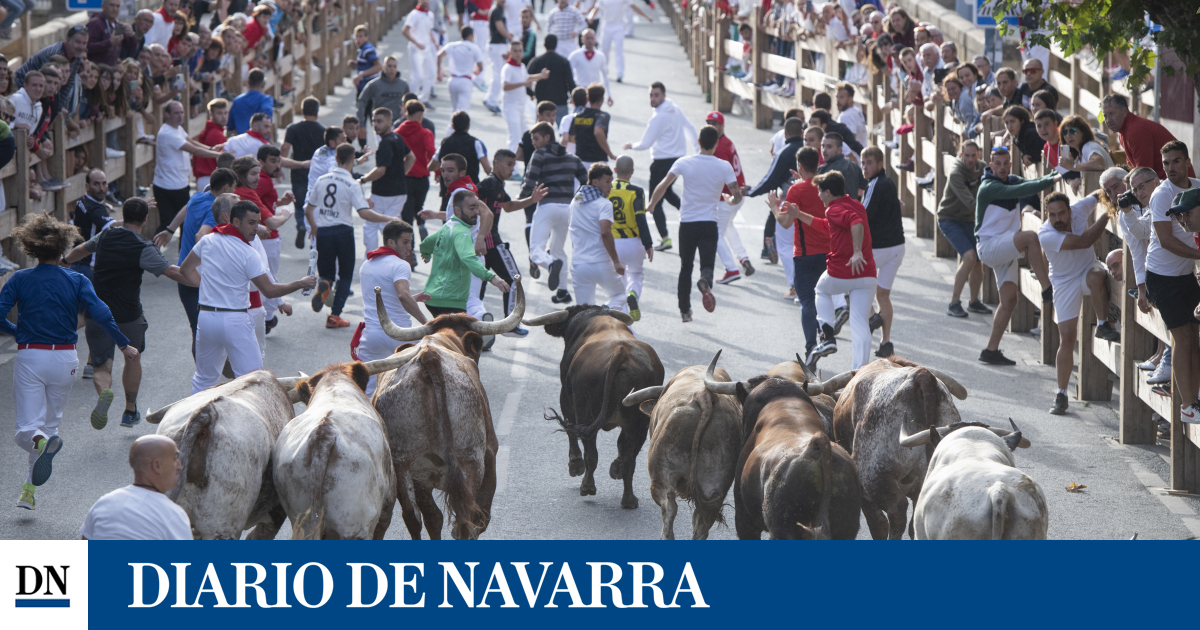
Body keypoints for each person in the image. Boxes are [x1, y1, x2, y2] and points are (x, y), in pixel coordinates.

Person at [2, 214, 137, 510]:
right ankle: (28, 491)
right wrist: (124, 343)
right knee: (48, 427)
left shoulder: (20, 279)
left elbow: (0, 316)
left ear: (31, 248)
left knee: (27, 430)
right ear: (63, 249)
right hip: (66, 358)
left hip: (31, 356)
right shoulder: (76, 279)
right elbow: (101, 314)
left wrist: (17, 332)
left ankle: (39, 452)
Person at [64, 197, 194, 429]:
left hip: (98, 313)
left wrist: (63, 262)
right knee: (132, 358)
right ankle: (129, 410)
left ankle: (104, 392)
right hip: (129, 315)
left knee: (102, 366)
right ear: (146, 219)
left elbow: (80, 250)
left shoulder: (105, 236)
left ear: (124, 215)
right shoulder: (143, 246)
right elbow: (171, 271)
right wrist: (200, 282)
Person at [180, 201, 315, 394]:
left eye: (258, 222)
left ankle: (193, 421)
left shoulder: (208, 240)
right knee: (254, 380)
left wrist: (207, 287)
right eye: (251, 223)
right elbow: (269, 290)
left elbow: (186, 269)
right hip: (235, 320)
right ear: (235, 221)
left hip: (207, 318)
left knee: (203, 379)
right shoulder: (248, 252)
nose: (257, 228)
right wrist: (301, 283)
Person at [784, 171, 877, 370]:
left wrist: (857, 251)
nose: (818, 196)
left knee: (821, 290)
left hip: (842, 271)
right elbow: (827, 226)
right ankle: (860, 371)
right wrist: (798, 214)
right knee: (860, 324)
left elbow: (856, 223)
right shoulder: (856, 204)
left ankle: (827, 336)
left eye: (820, 192)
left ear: (828, 192)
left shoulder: (835, 209)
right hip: (866, 274)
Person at [974, 148, 1058, 365]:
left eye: (1005, 163)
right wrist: (1054, 177)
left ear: (1010, 164)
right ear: (991, 166)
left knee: (1010, 299)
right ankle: (1047, 288)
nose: (1001, 167)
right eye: (997, 164)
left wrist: (1050, 179)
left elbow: (1032, 184)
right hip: (990, 247)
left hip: (1004, 246)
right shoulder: (989, 187)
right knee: (1030, 237)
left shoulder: (1010, 179)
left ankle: (990, 351)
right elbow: (1027, 187)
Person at [648, 125, 740, 321]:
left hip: (688, 223)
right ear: (716, 143)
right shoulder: (724, 166)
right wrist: (728, 199)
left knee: (685, 266)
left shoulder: (684, 162)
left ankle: (685, 311)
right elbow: (737, 197)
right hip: (709, 223)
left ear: (698, 142)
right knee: (707, 264)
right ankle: (705, 281)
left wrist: (651, 205)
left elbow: (663, 185)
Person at [1038, 190, 1116, 415]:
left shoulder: (1080, 209)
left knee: (1097, 275)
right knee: (1067, 338)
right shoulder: (1046, 234)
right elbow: (1085, 241)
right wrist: (1108, 213)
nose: (1058, 219)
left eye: (1062, 213)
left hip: (1087, 269)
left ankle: (1103, 325)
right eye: (1052, 215)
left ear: (1070, 211)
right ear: (1046, 215)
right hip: (1063, 281)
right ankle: (1061, 394)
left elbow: (1098, 192)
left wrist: (1112, 193)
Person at [305, 144, 397, 328]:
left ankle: (324, 283)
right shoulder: (352, 183)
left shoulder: (322, 180)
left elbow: (309, 209)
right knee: (345, 275)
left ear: (336, 158)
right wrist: (389, 218)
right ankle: (334, 316)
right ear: (352, 159)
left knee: (327, 272)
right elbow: (364, 213)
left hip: (323, 231)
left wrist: (314, 227)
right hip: (343, 232)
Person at [154, 168, 238, 358]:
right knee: (207, 330)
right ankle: (210, 371)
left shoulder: (198, 197)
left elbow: (185, 209)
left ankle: (206, 373)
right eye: (232, 189)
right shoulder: (213, 210)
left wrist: (169, 229)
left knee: (198, 328)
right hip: (200, 277)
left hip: (184, 275)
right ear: (225, 188)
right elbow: (201, 236)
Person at [1146, 142, 1200, 421]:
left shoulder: (1197, 188)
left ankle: (1196, 398)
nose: (1170, 168)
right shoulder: (1161, 194)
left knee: (1195, 338)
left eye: (1176, 162)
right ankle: (1187, 406)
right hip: (1161, 276)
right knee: (1182, 337)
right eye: (1166, 163)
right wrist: (1199, 255)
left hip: (1186, 275)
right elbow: (1165, 241)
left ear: (1187, 162)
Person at [477, 149, 546, 337]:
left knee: (479, 288)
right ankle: (509, 325)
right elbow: (472, 202)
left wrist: (532, 199)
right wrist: (480, 237)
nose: (512, 169)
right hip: (489, 242)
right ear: (496, 163)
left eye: (514, 165)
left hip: (484, 244)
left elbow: (508, 206)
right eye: (509, 164)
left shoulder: (497, 185)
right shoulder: (489, 184)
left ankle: (475, 330)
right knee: (514, 279)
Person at [768, 147, 827, 362]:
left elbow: (784, 223)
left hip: (804, 254)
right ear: (818, 164)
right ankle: (827, 337)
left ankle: (811, 347)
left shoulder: (795, 191)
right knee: (826, 298)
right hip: (829, 254)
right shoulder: (825, 187)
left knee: (807, 303)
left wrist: (774, 207)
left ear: (800, 166)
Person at [358, 220, 429, 396]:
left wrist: (414, 299)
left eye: (411, 242)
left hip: (372, 336)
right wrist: (427, 323)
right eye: (405, 242)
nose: (410, 247)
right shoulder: (400, 265)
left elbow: (385, 300)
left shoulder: (366, 264)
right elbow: (402, 295)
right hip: (400, 336)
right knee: (414, 389)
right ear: (391, 242)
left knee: (369, 393)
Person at [624, 82, 697, 252]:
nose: (653, 98)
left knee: (655, 201)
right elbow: (690, 127)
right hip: (677, 160)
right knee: (668, 191)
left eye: (656, 95)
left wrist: (631, 145)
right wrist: (697, 149)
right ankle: (690, 214)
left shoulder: (658, 118)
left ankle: (665, 238)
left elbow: (646, 143)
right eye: (651, 95)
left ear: (663, 95)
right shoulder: (675, 108)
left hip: (660, 163)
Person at [519, 122, 587, 303]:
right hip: (567, 210)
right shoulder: (573, 157)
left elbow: (529, 181)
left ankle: (549, 264)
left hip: (547, 207)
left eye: (536, 138)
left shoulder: (539, 155)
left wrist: (519, 200)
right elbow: (585, 182)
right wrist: (576, 200)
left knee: (535, 251)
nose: (533, 142)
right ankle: (563, 291)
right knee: (559, 250)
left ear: (547, 137)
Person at [419, 188, 511, 316]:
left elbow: (426, 243)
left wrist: (427, 254)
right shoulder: (462, 232)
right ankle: (480, 321)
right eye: (471, 208)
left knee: (447, 334)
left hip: (433, 299)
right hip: (450, 301)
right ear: (457, 210)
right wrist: (493, 278)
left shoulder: (447, 227)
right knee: (462, 332)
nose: (476, 212)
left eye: (477, 208)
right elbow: (469, 258)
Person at [79, 434, 191, 539]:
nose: (180, 466)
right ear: (157, 466)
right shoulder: (173, 515)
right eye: (175, 458)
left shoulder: (103, 503)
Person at [937, 141, 991, 318]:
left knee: (978, 261)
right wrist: (991, 215)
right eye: (966, 155)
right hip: (950, 218)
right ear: (961, 155)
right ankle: (954, 303)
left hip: (970, 220)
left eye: (973, 155)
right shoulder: (956, 172)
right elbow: (969, 201)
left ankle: (974, 302)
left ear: (979, 155)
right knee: (969, 256)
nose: (970, 159)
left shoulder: (983, 168)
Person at [747, 117, 805, 279]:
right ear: (802, 133)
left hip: (791, 203)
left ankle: (795, 284)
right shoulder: (811, 150)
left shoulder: (785, 153)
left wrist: (750, 191)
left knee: (786, 245)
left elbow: (770, 181)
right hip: (814, 202)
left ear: (785, 133)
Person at [860, 147, 904, 358]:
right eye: (863, 163)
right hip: (897, 248)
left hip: (879, 248)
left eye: (869, 162)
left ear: (879, 164)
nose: (865, 167)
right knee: (883, 295)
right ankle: (886, 343)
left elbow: (862, 215)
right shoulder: (888, 183)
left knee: (851, 281)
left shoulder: (875, 184)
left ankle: (871, 317)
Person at [155, 100, 223, 229]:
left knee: (183, 223)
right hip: (168, 186)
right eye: (176, 113)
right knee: (169, 223)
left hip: (179, 183)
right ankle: (152, 249)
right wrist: (218, 155)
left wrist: (211, 149)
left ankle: (183, 250)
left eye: (181, 112)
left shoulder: (177, 128)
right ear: (167, 114)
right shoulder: (167, 133)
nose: (180, 116)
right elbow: (193, 150)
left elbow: (191, 142)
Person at [701, 112, 751, 284]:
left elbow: (717, 175)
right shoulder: (726, 142)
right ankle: (743, 258)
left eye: (715, 123)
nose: (712, 126)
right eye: (709, 123)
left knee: (715, 235)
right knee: (728, 226)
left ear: (722, 126)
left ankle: (731, 269)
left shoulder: (719, 148)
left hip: (728, 197)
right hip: (737, 195)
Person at [569, 162, 627, 310]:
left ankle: (593, 317)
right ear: (595, 182)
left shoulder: (574, 203)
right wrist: (616, 261)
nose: (611, 186)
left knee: (584, 311)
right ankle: (603, 312)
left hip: (579, 264)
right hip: (601, 263)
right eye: (608, 181)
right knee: (619, 295)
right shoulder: (604, 204)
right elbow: (605, 232)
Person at [359, 108, 415, 251]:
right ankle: (395, 257)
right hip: (400, 192)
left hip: (383, 193)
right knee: (390, 228)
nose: (376, 125)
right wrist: (400, 174)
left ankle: (371, 260)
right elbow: (411, 157)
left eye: (379, 121)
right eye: (373, 121)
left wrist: (363, 180)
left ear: (390, 122)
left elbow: (380, 170)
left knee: (371, 226)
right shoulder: (397, 138)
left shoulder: (385, 143)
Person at [1102, 94, 1193, 181]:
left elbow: (1144, 173)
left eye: (1112, 113)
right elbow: (1133, 168)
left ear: (1125, 111)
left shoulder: (1136, 130)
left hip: (1179, 185)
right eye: (1105, 115)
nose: (1108, 120)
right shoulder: (1123, 132)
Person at [608, 155, 652, 320]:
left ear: (614, 170)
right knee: (635, 275)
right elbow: (641, 219)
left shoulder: (606, 189)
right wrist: (648, 244)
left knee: (619, 284)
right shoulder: (636, 191)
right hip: (633, 242)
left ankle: (622, 320)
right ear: (632, 172)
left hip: (612, 243)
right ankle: (633, 293)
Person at [281, 97, 325, 247]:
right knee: (314, 204)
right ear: (317, 112)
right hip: (317, 174)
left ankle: (301, 224)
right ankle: (314, 232)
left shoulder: (293, 129)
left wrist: (279, 165)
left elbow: (285, 148)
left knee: (299, 203)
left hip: (298, 171)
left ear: (301, 111)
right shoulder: (323, 131)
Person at [396, 100, 437, 244]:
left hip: (404, 178)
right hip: (421, 179)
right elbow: (432, 152)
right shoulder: (425, 133)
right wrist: (438, 172)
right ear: (420, 115)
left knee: (406, 215)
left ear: (407, 114)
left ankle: (409, 252)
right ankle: (421, 223)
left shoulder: (397, 133)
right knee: (418, 207)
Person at [501, 39, 546, 152]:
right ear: (511, 52)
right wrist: (523, 84)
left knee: (524, 135)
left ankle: (520, 162)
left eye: (520, 50)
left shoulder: (521, 66)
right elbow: (505, 86)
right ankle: (512, 167)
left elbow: (527, 77)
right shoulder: (507, 68)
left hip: (521, 107)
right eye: (515, 51)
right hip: (511, 107)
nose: (518, 53)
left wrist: (541, 76)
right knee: (514, 137)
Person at [591, 0, 649, 83]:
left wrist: (646, 16)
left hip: (618, 26)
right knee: (604, 50)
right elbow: (596, 8)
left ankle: (620, 73)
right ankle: (604, 70)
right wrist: (591, 16)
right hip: (606, 26)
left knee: (619, 51)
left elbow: (633, 6)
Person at [438, 26, 487, 117]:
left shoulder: (452, 45)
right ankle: (458, 130)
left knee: (454, 110)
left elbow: (439, 55)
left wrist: (439, 72)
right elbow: (481, 66)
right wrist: (477, 71)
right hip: (465, 81)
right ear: (471, 36)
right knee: (462, 112)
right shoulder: (474, 47)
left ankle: (451, 129)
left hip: (452, 80)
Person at [527, 34, 575, 124]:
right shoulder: (564, 61)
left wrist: (531, 93)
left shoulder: (536, 61)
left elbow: (526, 78)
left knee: (541, 131)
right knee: (564, 130)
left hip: (542, 102)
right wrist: (573, 97)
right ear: (556, 45)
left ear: (544, 44)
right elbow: (570, 82)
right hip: (561, 102)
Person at [568, 83, 615, 167]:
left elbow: (571, 140)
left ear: (587, 99)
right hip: (598, 163)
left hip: (580, 163)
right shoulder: (603, 116)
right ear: (602, 100)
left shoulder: (577, 116)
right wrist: (610, 154)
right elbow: (598, 131)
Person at [357, 56, 411, 129]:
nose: (392, 69)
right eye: (389, 66)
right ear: (384, 67)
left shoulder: (404, 85)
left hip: (399, 124)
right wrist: (361, 123)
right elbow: (361, 101)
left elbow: (410, 104)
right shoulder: (374, 84)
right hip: (380, 124)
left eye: (394, 66)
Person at [193, 97, 230, 195]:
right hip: (211, 178)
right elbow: (223, 160)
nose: (224, 116)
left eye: (225, 113)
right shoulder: (216, 134)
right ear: (211, 114)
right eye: (219, 113)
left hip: (205, 178)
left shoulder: (209, 130)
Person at [402, 0, 437, 103]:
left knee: (430, 74)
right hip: (416, 49)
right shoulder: (414, 14)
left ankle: (424, 99)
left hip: (427, 48)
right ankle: (411, 102)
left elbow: (429, 30)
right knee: (417, 76)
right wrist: (417, 43)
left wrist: (434, 42)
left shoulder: (430, 14)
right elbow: (405, 31)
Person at [88, 0, 139, 67]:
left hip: (112, 72)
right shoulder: (95, 23)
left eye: (117, 6)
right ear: (103, 6)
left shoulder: (118, 25)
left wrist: (132, 34)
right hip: (97, 71)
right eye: (112, 5)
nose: (115, 9)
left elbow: (133, 48)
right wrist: (109, 42)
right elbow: (88, 47)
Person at [483, 0, 512, 113]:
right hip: (497, 45)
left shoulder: (499, 9)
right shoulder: (496, 10)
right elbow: (499, 27)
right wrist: (508, 35)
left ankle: (489, 98)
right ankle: (492, 101)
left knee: (497, 73)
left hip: (498, 45)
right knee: (498, 74)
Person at [568, 29, 611, 103]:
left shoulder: (601, 55)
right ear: (582, 39)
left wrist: (609, 95)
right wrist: (572, 90)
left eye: (592, 38)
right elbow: (568, 74)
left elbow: (605, 76)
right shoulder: (575, 55)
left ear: (595, 39)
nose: (590, 41)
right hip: (580, 91)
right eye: (587, 38)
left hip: (595, 92)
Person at [817, 132, 863, 202]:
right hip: (853, 209)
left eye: (829, 147)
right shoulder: (853, 165)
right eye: (823, 146)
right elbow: (863, 189)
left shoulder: (823, 170)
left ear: (839, 150)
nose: (824, 150)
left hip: (836, 210)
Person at [227, 68, 273, 135]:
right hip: (260, 141)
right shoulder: (266, 100)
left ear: (248, 82)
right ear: (262, 84)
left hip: (242, 141)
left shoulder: (237, 101)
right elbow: (267, 119)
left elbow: (229, 125)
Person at [351, 25, 384, 96]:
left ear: (367, 37)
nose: (358, 39)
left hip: (368, 86)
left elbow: (379, 66)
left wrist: (362, 74)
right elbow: (367, 65)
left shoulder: (368, 50)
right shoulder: (362, 49)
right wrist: (356, 64)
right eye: (356, 36)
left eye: (361, 36)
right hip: (363, 85)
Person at [835, 83, 867, 150]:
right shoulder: (856, 110)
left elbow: (850, 142)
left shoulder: (846, 116)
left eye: (841, 97)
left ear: (850, 99)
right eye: (837, 97)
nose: (838, 101)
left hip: (852, 158)